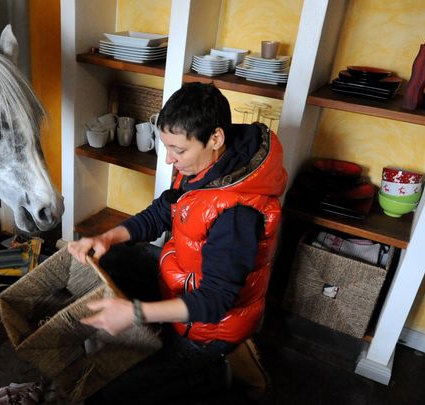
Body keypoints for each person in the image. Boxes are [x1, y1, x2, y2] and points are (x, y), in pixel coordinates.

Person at [67, 82, 288, 404]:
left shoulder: (238, 214)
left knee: (104, 393)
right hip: (183, 273)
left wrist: (136, 313)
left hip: (210, 326)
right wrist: (105, 237)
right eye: (166, 146)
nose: (169, 159)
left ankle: (218, 369)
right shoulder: (212, 163)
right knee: (111, 258)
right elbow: (162, 211)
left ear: (215, 138)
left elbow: (215, 301)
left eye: (178, 150)